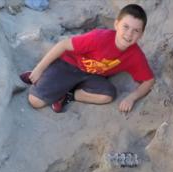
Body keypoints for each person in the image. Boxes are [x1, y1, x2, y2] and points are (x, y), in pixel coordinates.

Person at [20, 4, 155, 113]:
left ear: (141, 34)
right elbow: (63, 45)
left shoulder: (135, 55)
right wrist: (39, 68)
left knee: (108, 95)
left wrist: (132, 97)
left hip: (92, 75)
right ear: (116, 24)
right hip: (69, 65)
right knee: (35, 101)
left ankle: (67, 95)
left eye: (136, 30)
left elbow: (149, 81)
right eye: (126, 27)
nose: (129, 34)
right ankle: (41, 73)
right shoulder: (99, 38)